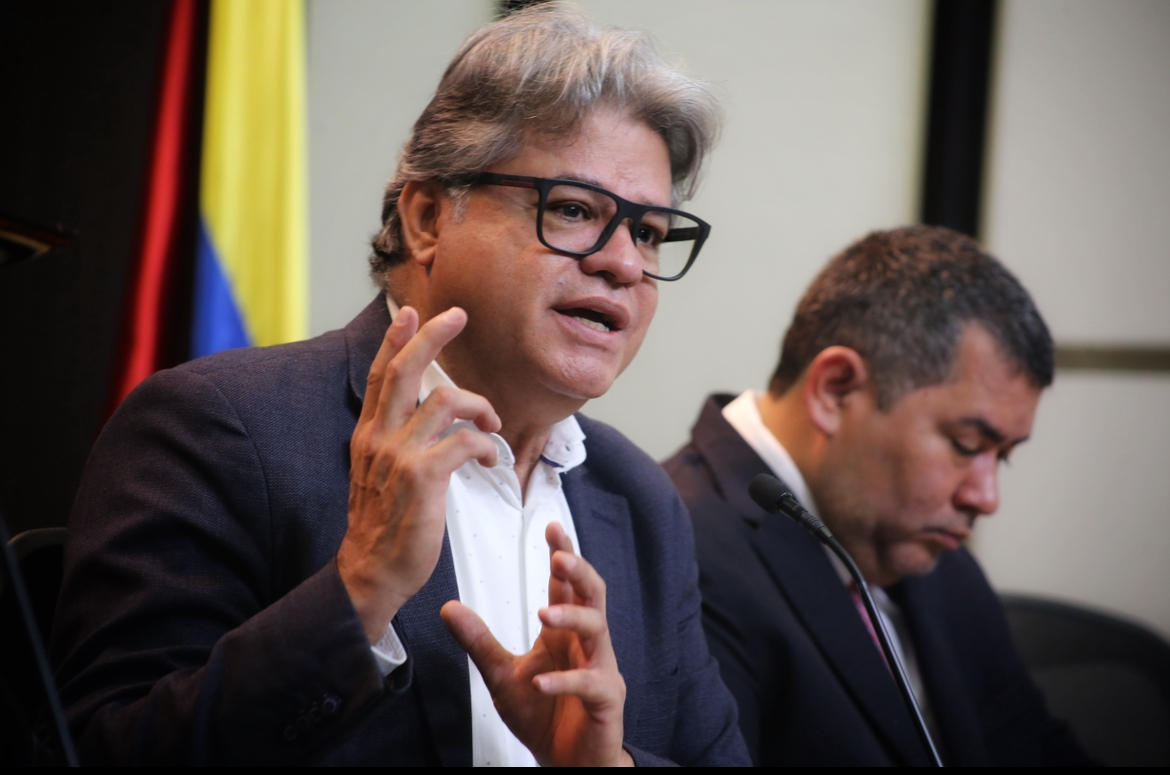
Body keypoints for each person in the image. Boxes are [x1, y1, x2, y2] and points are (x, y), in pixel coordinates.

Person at [51, 4, 748, 766]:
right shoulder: (217, 428)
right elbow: (103, 747)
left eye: (648, 232)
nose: (624, 263)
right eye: (576, 210)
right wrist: (359, 591)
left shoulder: (641, 502)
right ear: (426, 218)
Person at [664, 225, 1094, 766]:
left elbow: (1032, 750)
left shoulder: (927, 547)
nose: (986, 498)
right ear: (836, 390)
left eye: (1001, 456)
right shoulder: (669, 548)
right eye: (966, 445)